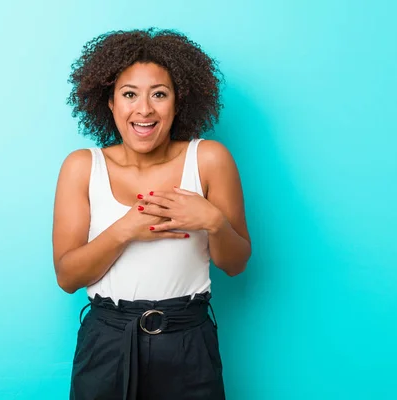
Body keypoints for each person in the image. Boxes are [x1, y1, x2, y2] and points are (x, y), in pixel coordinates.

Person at [52, 28, 251, 400]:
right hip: (107, 342)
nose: (144, 109)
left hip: (188, 340)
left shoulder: (208, 159)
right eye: (129, 95)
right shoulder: (82, 167)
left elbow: (236, 263)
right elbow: (67, 276)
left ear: (178, 102)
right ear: (109, 102)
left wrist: (212, 221)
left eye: (159, 94)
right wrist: (125, 229)